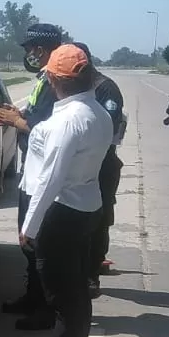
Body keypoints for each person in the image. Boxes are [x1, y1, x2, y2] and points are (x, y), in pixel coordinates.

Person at [15, 43, 113, 337]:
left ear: (55, 79)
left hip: (63, 210)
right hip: (85, 207)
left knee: (64, 298)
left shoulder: (71, 120)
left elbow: (51, 178)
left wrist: (29, 226)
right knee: (73, 293)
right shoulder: (97, 112)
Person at [0, 23, 65, 329]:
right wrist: (18, 115)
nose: (28, 55)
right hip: (31, 169)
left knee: (38, 242)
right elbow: (34, 117)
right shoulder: (43, 80)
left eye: (31, 49)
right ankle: (32, 297)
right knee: (28, 241)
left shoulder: (55, 84)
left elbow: (47, 132)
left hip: (43, 173)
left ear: (42, 48)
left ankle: (46, 309)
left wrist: (16, 122)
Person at [69, 43, 125, 298]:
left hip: (102, 163)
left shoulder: (105, 88)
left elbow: (107, 125)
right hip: (77, 163)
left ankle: (91, 274)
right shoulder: (72, 86)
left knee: (99, 219)